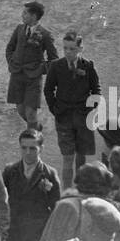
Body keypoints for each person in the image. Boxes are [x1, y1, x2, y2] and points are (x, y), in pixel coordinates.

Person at [2, 127, 61, 241]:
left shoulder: (49, 174)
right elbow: (1, 202)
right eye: (24, 148)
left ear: (41, 149)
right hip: (17, 235)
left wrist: (51, 238)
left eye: (33, 148)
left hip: (38, 238)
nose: (28, 152)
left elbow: (57, 208)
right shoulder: (10, 172)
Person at [43, 30, 100, 189]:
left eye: (72, 49)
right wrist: (54, 109)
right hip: (64, 117)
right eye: (65, 48)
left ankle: (79, 190)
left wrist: (93, 107)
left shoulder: (88, 66)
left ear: (80, 49)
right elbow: (48, 89)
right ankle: (67, 193)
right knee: (67, 158)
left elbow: (96, 88)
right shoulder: (56, 66)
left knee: (81, 157)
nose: (68, 52)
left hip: (83, 117)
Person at [4, 0, 58, 128]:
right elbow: (10, 48)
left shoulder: (45, 34)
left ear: (34, 16)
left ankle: (33, 139)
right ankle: (35, 127)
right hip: (17, 74)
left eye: (25, 13)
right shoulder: (19, 29)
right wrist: (12, 61)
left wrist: (41, 69)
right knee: (21, 110)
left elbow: (53, 59)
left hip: (33, 78)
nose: (22, 15)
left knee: (31, 113)